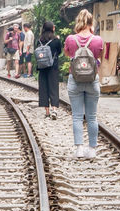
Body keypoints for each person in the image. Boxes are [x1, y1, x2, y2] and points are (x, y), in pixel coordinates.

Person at [64, 10, 104, 159]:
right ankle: (92, 150)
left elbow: (68, 54)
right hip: (92, 80)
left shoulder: (70, 39)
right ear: (91, 23)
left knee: (77, 117)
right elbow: (99, 57)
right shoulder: (98, 40)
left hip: (75, 80)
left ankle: (79, 149)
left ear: (78, 22)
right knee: (92, 117)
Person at [37, 21, 62, 118]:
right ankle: (54, 110)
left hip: (42, 67)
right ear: (52, 28)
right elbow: (59, 52)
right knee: (53, 88)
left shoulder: (39, 40)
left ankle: (47, 111)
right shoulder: (56, 40)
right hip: (53, 67)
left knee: (43, 88)